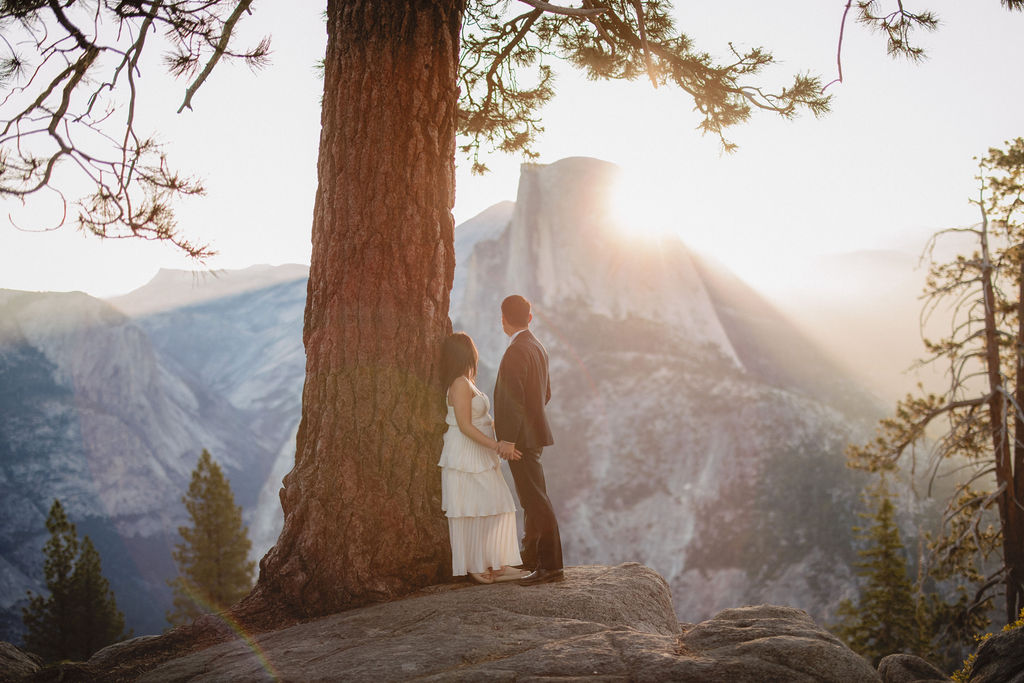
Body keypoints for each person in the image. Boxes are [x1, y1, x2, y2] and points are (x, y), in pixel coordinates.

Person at [438, 332, 529, 584]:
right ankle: (475, 564)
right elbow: (465, 426)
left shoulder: (468, 381)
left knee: (498, 504)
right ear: (468, 353)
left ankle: (497, 563)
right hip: (466, 453)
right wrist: (497, 445)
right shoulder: (458, 383)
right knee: (472, 507)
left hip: (481, 453)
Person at [493, 294, 564, 585]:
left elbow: (513, 399)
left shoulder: (516, 350)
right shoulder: (538, 347)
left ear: (503, 319)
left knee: (536, 500)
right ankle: (532, 557)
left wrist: (509, 438)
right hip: (532, 434)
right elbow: (545, 393)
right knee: (531, 498)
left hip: (520, 439)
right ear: (530, 318)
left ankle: (551, 566)